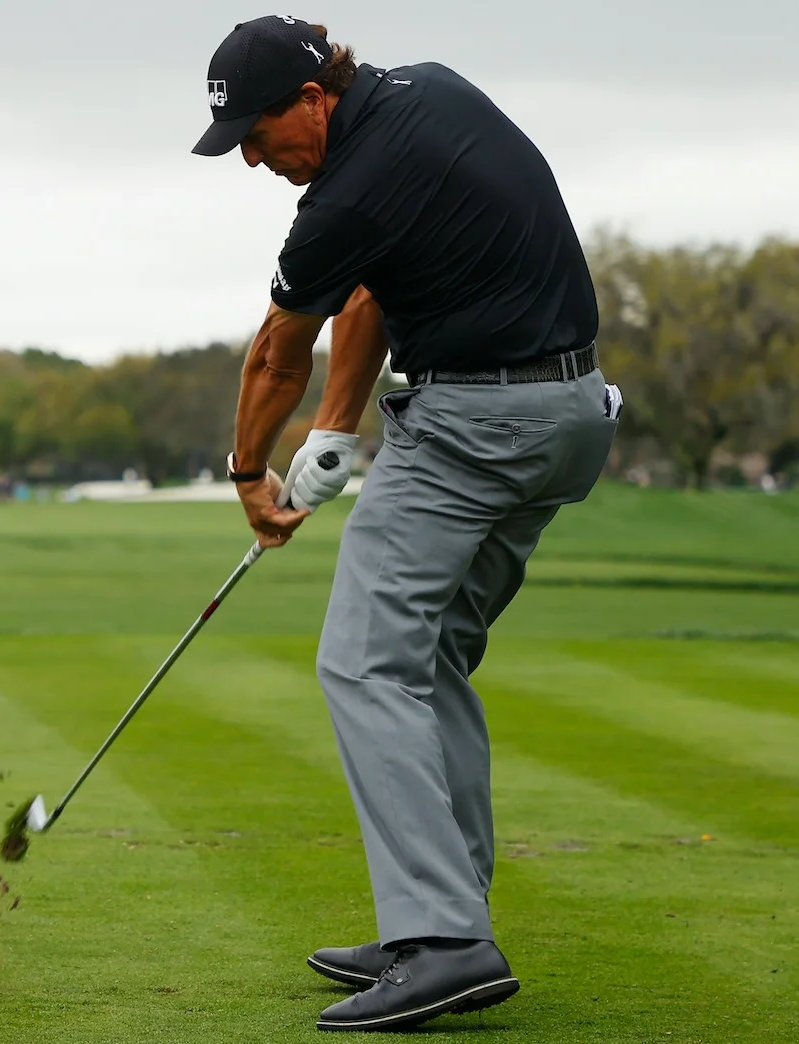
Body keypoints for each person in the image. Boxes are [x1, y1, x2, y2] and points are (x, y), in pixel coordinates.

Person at [192, 16, 620, 1032]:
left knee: (362, 663)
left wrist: (249, 473)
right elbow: (376, 287)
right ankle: (444, 917)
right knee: (427, 658)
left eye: (257, 134)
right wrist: (337, 429)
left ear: (311, 100)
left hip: (476, 428)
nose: (252, 159)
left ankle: (443, 939)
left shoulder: (340, 198)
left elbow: (275, 355)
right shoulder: (430, 92)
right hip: (570, 417)